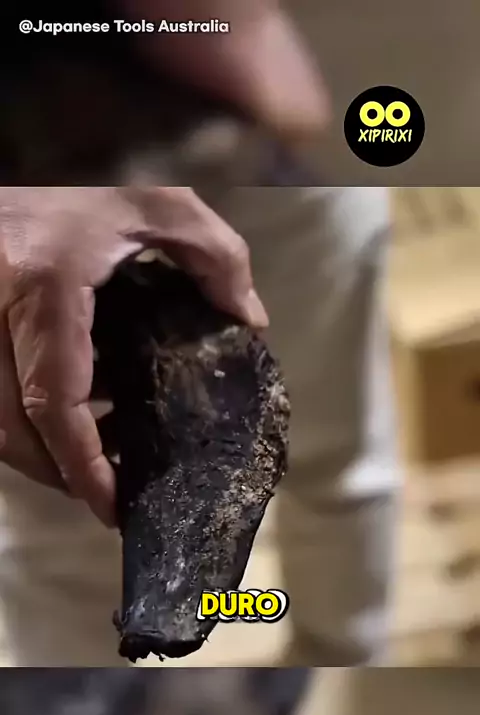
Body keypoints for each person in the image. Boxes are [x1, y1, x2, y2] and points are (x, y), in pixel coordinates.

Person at [0, 1, 396, 666]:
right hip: (93, 194)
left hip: (211, 170)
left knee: (72, 526)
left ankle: (340, 659)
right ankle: (341, 655)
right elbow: (275, 82)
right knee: (74, 519)